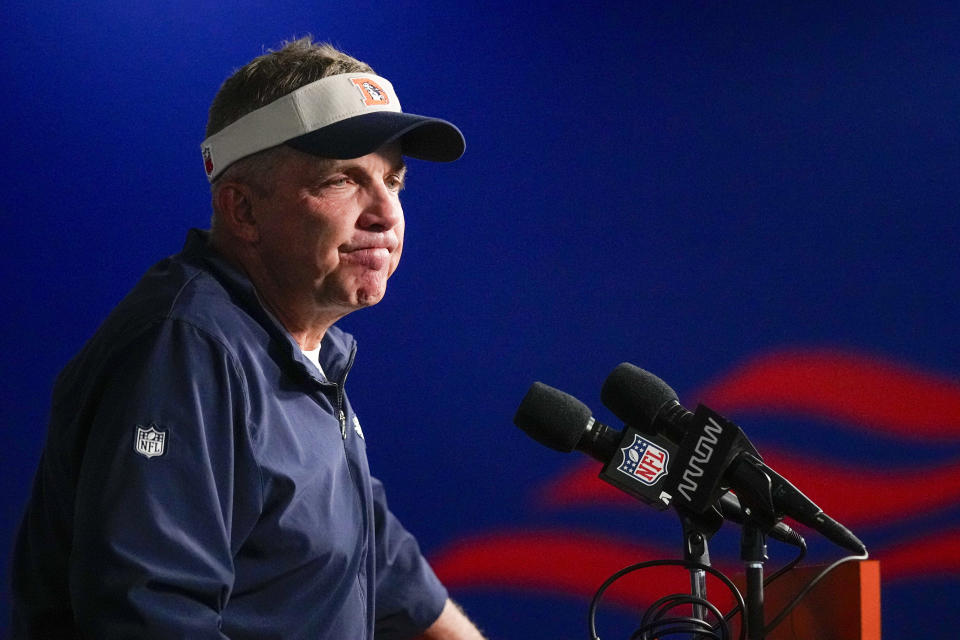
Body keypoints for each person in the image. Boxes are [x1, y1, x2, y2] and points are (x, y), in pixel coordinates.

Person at [11, 38, 485, 639]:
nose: (386, 213)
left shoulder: (308, 351)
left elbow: (383, 566)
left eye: (393, 181)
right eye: (344, 179)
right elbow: (153, 619)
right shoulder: (186, 349)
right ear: (242, 210)